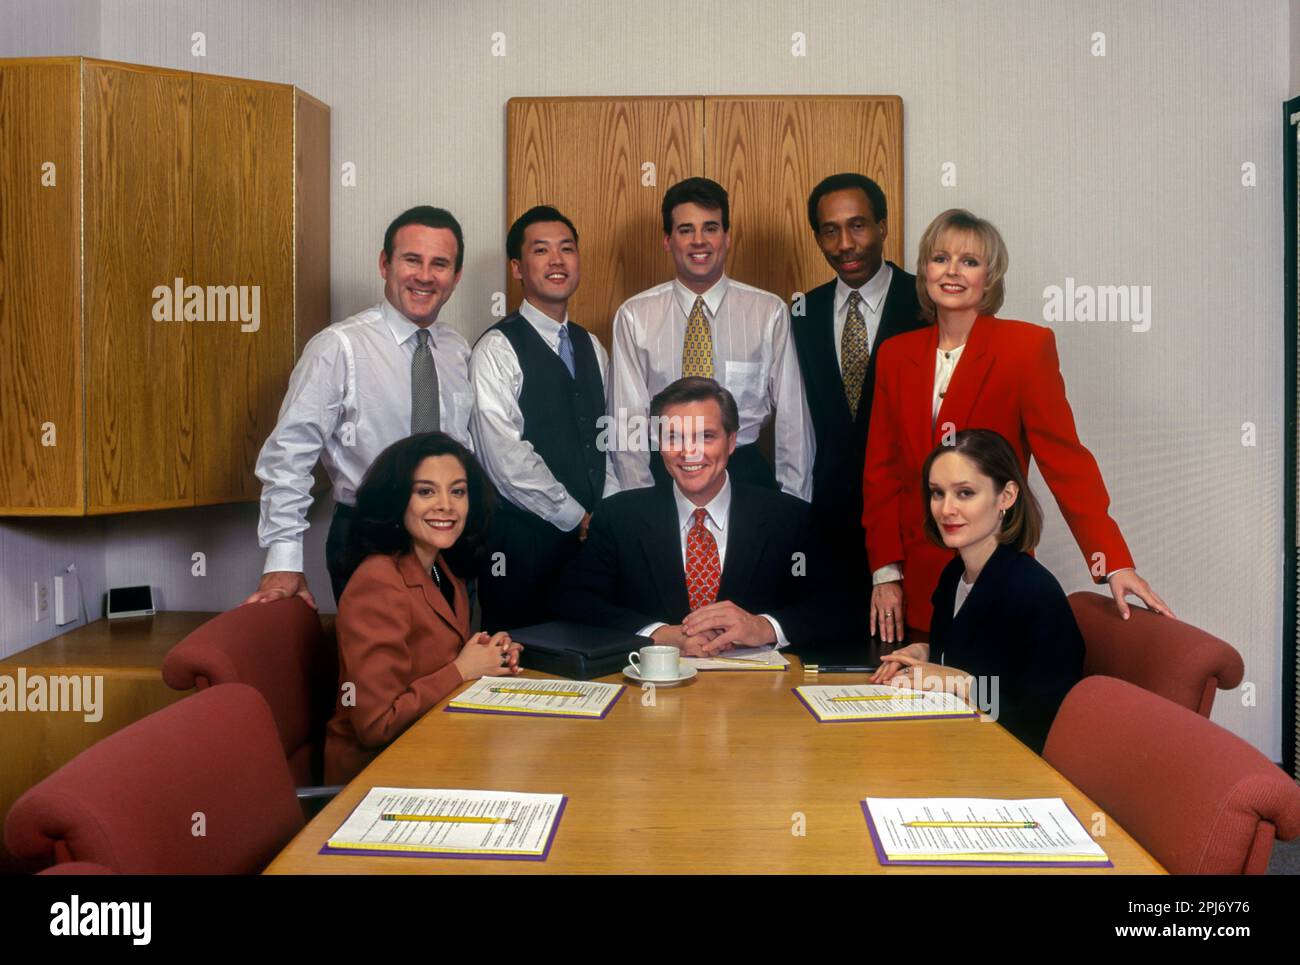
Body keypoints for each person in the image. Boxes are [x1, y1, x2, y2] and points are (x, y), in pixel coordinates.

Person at [862, 208, 1172, 638]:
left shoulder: (1026, 348)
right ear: (924, 270)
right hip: (914, 583)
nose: (952, 271)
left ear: (989, 277)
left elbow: (1067, 463)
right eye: (940, 258)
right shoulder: (896, 355)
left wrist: (1112, 561)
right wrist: (885, 573)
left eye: (969, 261)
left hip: (997, 575)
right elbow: (882, 475)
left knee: (989, 700)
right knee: (922, 696)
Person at [246, 206, 476, 608]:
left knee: (455, 665)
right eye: (411, 259)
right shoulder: (338, 347)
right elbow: (290, 454)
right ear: (385, 264)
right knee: (380, 668)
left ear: (455, 277)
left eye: (440, 264)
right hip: (371, 536)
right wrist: (282, 561)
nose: (425, 275)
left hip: (447, 538)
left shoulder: (456, 349)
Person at [552, 377, 861, 654]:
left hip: (758, 702)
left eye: (706, 437)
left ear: (731, 441)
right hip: (653, 698)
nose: (690, 453)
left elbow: (838, 605)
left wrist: (763, 628)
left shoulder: (789, 518)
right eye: (674, 437)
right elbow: (575, 602)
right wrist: (661, 635)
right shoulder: (619, 516)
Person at [324, 432, 521, 785]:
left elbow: (435, 657)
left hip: (436, 749)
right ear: (397, 501)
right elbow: (375, 725)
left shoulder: (441, 566)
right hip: (375, 777)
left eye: (458, 491)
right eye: (426, 491)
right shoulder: (378, 582)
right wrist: (462, 669)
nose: (446, 505)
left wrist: (486, 656)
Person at [872, 429, 1084, 754]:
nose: (946, 509)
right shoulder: (955, 574)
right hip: (956, 747)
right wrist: (928, 655)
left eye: (965, 493)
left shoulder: (1034, 592)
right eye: (937, 493)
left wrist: (958, 683)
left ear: (1006, 497)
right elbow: (979, 660)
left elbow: (1041, 720)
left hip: (1011, 771)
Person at [607, 177, 814, 500]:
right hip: (664, 472)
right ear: (667, 240)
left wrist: (795, 504)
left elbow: (793, 422)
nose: (698, 241)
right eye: (686, 230)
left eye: (711, 228)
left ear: (727, 237)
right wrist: (639, 504)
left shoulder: (768, 311)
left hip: (743, 469)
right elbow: (626, 422)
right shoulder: (634, 316)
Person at [470, 205, 617, 630]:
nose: (557, 261)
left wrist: (605, 515)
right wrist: (575, 516)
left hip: (591, 544)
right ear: (517, 267)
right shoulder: (496, 348)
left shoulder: (593, 345)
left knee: (593, 661)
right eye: (541, 250)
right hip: (522, 547)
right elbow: (504, 457)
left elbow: (609, 438)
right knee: (522, 674)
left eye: (567, 249)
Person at [791, 173, 926, 581]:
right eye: (830, 230)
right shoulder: (800, 313)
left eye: (857, 225)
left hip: (914, 519)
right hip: (828, 525)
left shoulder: (927, 303)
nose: (845, 244)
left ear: (882, 227)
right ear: (817, 238)